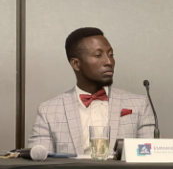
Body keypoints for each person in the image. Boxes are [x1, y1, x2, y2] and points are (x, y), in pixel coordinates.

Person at [28, 27, 155, 155]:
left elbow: (150, 159)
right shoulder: (48, 111)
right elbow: (39, 164)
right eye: (98, 55)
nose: (109, 62)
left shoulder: (139, 104)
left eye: (111, 55)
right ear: (76, 64)